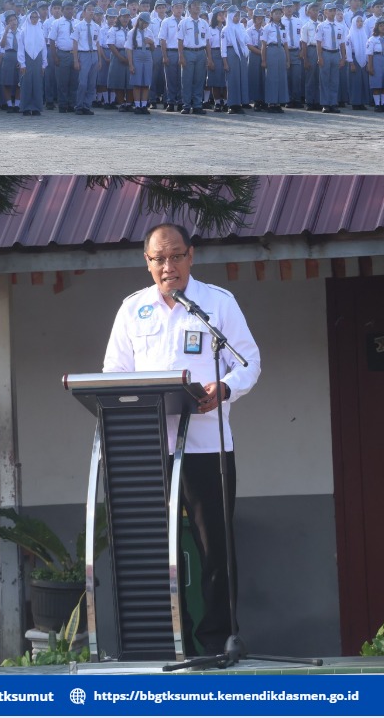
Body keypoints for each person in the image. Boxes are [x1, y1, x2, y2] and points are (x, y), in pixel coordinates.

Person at [103, 223, 261, 656]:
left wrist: (224, 388)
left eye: (176, 256)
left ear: (191, 255)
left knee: (215, 550)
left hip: (207, 447)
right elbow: (113, 375)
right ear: (147, 262)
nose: (168, 266)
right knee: (158, 551)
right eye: (159, 259)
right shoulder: (133, 310)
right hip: (149, 449)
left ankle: (217, 643)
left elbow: (249, 362)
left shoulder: (216, 304)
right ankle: (172, 644)